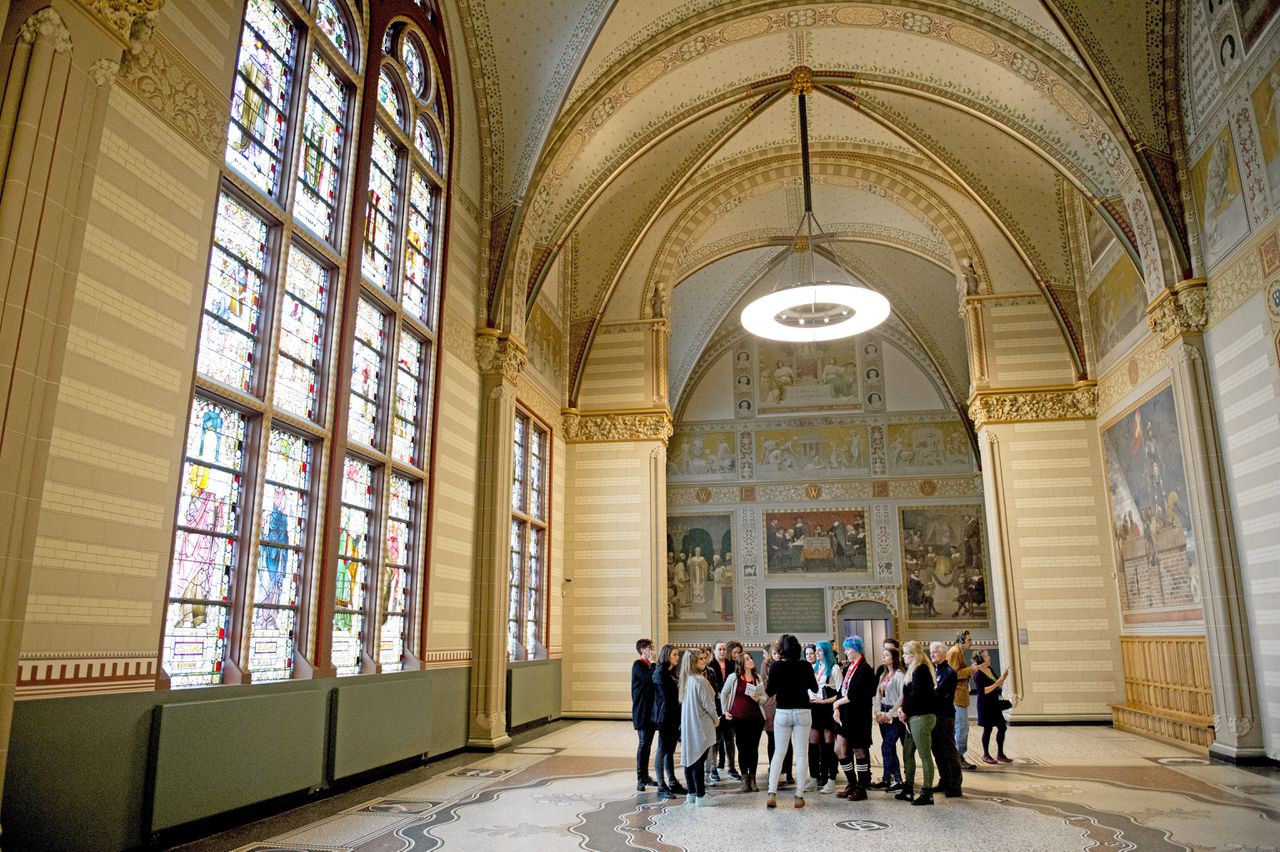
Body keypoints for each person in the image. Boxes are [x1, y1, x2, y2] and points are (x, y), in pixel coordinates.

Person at [764, 634, 818, 810]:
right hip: (803, 711)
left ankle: (772, 793)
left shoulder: (776, 666)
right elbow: (815, 688)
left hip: (783, 712)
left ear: (782, 650)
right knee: (802, 754)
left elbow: (770, 691)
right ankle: (799, 796)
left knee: (779, 752)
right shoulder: (805, 666)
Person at [832, 636, 877, 801]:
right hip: (846, 714)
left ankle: (862, 786)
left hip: (859, 715)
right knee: (839, 748)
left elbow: (854, 694)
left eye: (848, 649)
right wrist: (837, 707)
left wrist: (836, 703)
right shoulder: (848, 668)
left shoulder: (864, 669)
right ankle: (852, 782)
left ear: (856, 649)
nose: (845, 652)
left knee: (859, 749)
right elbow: (842, 690)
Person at [895, 640, 937, 806]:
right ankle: (908, 788)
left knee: (925, 755)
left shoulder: (921, 670)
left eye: (905, 654)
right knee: (907, 752)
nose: (903, 657)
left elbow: (917, 695)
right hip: (913, 717)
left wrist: (904, 710)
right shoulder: (913, 670)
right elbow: (909, 695)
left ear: (913, 655)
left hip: (922, 717)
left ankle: (927, 792)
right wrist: (902, 710)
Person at [679, 648, 720, 806]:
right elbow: (709, 706)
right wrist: (716, 720)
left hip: (691, 724)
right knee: (698, 761)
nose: (705, 660)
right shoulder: (700, 681)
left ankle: (691, 793)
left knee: (690, 759)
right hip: (700, 725)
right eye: (701, 659)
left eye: (705, 658)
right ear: (693, 662)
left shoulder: (687, 679)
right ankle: (701, 796)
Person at [721, 650, 765, 792]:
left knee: (753, 749)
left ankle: (753, 780)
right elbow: (724, 693)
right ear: (741, 663)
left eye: (750, 658)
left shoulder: (757, 678)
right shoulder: (734, 677)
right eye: (747, 659)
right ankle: (744, 780)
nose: (750, 660)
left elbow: (764, 698)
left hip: (756, 719)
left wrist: (759, 699)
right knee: (743, 749)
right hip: (739, 719)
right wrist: (724, 711)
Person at [929, 641, 964, 797]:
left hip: (945, 716)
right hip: (934, 715)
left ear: (943, 653)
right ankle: (944, 780)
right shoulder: (934, 671)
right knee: (937, 750)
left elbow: (938, 694)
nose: (932, 654)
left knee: (948, 750)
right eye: (930, 652)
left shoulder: (949, 672)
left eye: (935, 652)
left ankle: (955, 785)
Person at [651, 643, 687, 799]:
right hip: (665, 717)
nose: (677, 657)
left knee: (670, 751)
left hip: (673, 717)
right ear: (666, 656)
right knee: (662, 750)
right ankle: (661, 785)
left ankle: (672, 782)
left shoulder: (672, 673)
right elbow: (667, 698)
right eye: (674, 654)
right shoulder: (660, 672)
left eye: (678, 654)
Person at [870, 645, 906, 792]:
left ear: (894, 658)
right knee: (889, 748)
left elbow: (902, 697)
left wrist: (890, 713)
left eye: (886, 655)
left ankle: (892, 778)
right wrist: (877, 712)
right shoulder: (883, 675)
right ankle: (892, 779)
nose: (883, 657)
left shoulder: (900, 675)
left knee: (886, 746)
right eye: (883, 655)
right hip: (883, 711)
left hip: (895, 714)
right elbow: (878, 694)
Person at [807, 640, 841, 793]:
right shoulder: (815, 668)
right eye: (817, 650)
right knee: (812, 743)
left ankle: (831, 779)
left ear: (826, 652)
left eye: (820, 651)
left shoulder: (834, 668)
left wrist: (824, 701)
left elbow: (841, 694)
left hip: (827, 708)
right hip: (814, 708)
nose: (817, 653)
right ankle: (814, 778)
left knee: (828, 743)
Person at [760, 641, 795, 789]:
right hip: (770, 706)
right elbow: (765, 685)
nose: (776, 656)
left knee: (787, 741)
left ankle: (788, 772)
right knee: (772, 740)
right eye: (773, 654)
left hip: (784, 704)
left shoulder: (786, 664)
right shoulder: (765, 666)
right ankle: (774, 769)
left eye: (778, 653)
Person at [973, 650, 1012, 764]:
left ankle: (1000, 754)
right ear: (981, 659)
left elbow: (996, 684)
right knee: (988, 728)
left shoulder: (989, 669)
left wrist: (1003, 678)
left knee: (1002, 727)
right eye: (987, 656)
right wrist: (997, 683)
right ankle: (986, 754)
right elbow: (983, 691)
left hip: (994, 702)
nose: (989, 657)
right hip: (985, 704)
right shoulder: (978, 673)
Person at [947, 630, 978, 770]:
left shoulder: (959, 652)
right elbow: (953, 674)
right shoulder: (954, 652)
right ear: (961, 640)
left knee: (962, 727)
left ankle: (958, 756)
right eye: (969, 640)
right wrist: (971, 670)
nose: (971, 642)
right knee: (962, 727)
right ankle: (958, 757)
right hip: (956, 696)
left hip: (961, 695)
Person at [631, 639, 658, 792]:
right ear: (642, 650)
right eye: (650, 648)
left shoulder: (650, 666)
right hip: (642, 711)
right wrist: (654, 663)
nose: (653, 650)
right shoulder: (638, 665)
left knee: (648, 745)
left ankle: (646, 776)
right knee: (643, 744)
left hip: (652, 712)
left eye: (653, 647)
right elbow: (650, 678)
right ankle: (640, 778)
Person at [705, 642, 732, 781]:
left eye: (724, 649)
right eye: (719, 649)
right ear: (714, 651)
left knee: (729, 740)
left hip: (728, 707)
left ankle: (732, 767)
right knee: (715, 740)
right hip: (715, 707)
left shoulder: (731, 665)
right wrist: (718, 693)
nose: (722, 652)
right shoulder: (709, 667)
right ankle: (713, 768)